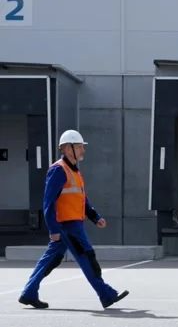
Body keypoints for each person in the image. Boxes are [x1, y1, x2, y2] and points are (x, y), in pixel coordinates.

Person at [19, 130, 129, 310]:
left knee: (51, 260)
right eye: (79, 147)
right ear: (67, 149)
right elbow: (48, 203)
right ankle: (106, 294)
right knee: (87, 258)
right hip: (68, 226)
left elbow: (81, 198)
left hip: (72, 223)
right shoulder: (58, 170)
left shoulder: (74, 171)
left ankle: (29, 293)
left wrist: (94, 217)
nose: (82, 150)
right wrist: (53, 230)